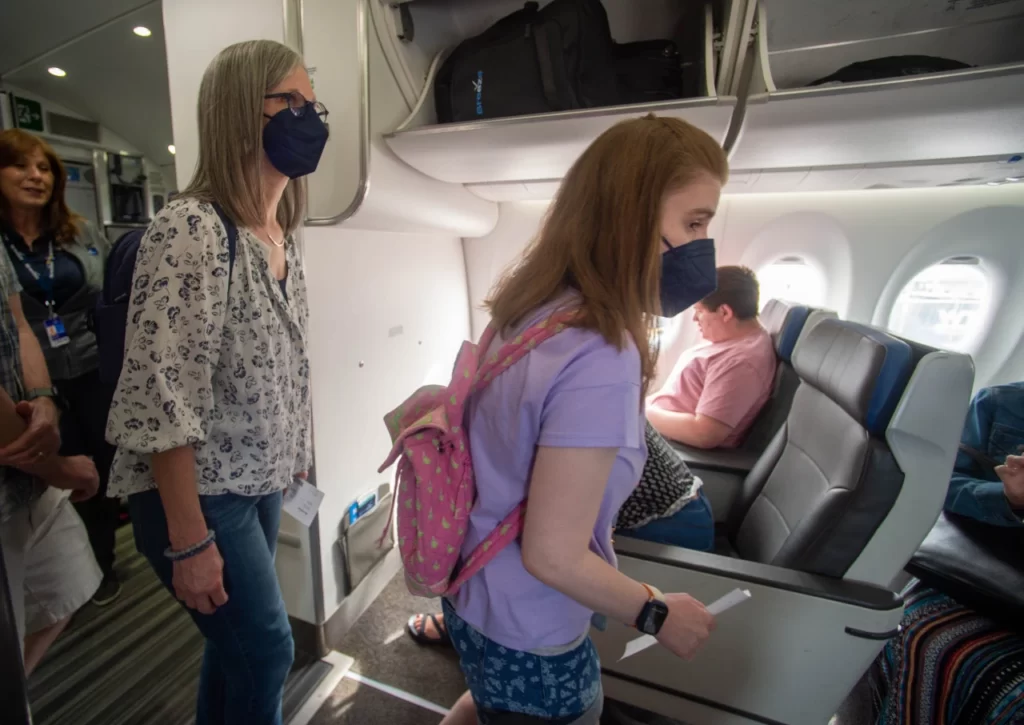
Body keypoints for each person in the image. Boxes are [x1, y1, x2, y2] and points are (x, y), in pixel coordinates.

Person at [433, 115, 726, 725]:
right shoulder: (601, 353)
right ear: (630, 218)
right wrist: (656, 611)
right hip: (530, 623)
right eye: (694, 224)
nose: (704, 246)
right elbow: (552, 555)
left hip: (471, 589)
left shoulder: (529, 308)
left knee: (488, 705)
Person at [104, 39, 324, 725]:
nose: (310, 118)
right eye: (291, 102)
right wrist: (191, 541)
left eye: (314, 105)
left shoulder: (279, 233)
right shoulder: (192, 229)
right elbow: (161, 397)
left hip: (258, 480)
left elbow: (284, 366)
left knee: (234, 652)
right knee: (267, 652)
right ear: (239, 110)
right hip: (199, 494)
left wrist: (293, 456)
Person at [0, 129, 122, 606]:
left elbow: (114, 295)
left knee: (103, 466)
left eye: (44, 168)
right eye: (21, 166)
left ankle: (101, 565)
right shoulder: (4, 248)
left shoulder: (80, 232)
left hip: (91, 368)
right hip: (29, 383)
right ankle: (58, 573)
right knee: (53, 470)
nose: (36, 176)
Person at [870, 382, 1024, 723]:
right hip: (988, 575)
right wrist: (1007, 499)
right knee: (922, 636)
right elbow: (943, 483)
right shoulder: (1001, 403)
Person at [0, 240, 102, 677]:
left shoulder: (71, 241)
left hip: (29, 466)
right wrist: (58, 468)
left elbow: (17, 324)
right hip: (19, 467)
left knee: (70, 579)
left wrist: (42, 396)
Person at [647, 265, 776, 449]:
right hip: (654, 426)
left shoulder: (741, 363)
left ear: (725, 312)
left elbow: (704, 434)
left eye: (699, 311)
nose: (694, 319)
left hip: (668, 444)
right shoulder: (732, 341)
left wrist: (639, 414)